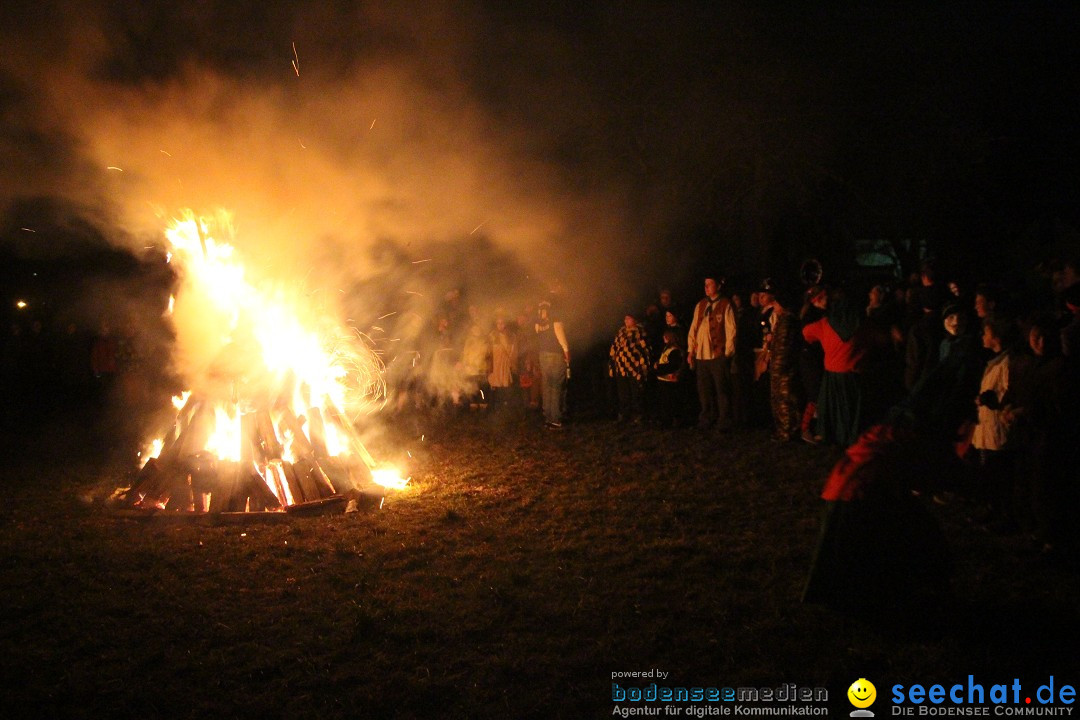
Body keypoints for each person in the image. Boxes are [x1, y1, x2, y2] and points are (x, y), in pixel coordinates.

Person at [801, 286, 866, 447]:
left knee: (833, 409)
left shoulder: (824, 324)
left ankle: (829, 434)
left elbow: (806, 333)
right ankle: (851, 437)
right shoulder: (860, 321)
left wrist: (807, 312)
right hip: (855, 372)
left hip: (835, 373)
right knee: (851, 411)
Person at [687, 275, 736, 431]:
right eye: (705, 284)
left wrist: (727, 353)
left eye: (709, 284)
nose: (706, 287)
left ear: (718, 286)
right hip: (701, 355)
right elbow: (693, 328)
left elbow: (731, 330)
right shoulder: (701, 305)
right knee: (704, 389)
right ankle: (707, 417)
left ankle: (724, 420)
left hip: (717, 355)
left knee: (721, 389)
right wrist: (691, 351)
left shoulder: (725, 304)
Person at [759, 281, 800, 442]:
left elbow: (783, 347)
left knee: (785, 400)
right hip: (779, 367)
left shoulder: (786, 321)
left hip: (782, 369)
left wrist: (777, 367)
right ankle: (783, 430)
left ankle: (787, 432)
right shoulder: (783, 320)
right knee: (780, 399)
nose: (774, 305)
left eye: (776, 302)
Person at [609, 314, 650, 423]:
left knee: (636, 391)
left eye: (628, 318)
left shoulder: (640, 332)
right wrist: (613, 363)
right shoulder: (621, 332)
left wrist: (642, 365)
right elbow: (614, 348)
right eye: (625, 318)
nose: (625, 320)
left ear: (635, 319)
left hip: (635, 367)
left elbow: (644, 349)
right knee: (623, 392)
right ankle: (624, 413)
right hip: (621, 367)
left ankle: (638, 414)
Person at [535, 300, 570, 428]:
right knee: (556, 387)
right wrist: (567, 353)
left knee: (546, 386)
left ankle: (548, 416)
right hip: (555, 356)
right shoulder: (556, 322)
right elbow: (562, 341)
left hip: (543, 356)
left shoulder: (538, 325)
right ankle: (555, 418)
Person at [654, 328, 687, 427]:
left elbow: (672, 366)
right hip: (663, 379)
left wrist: (659, 368)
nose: (663, 338)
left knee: (670, 402)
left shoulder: (675, 351)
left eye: (666, 336)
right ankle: (665, 420)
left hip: (669, 380)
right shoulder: (666, 349)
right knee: (664, 402)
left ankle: (673, 420)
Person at [488, 315, 518, 412]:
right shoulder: (492, 336)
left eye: (502, 323)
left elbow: (514, 350)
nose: (500, 325)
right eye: (498, 323)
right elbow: (488, 351)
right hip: (495, 364)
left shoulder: (511, 336)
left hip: (505, 364)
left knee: (505, 385)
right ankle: (493, 407)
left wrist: (512, 363)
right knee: (494, 385)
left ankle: (506, 407)